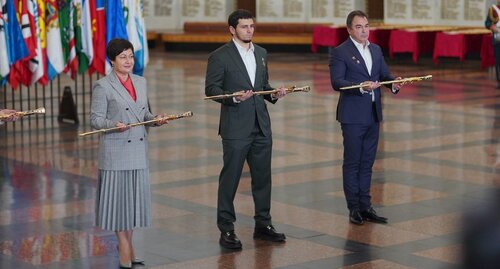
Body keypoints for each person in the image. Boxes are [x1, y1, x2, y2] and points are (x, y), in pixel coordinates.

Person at [205, 9, 287, 249]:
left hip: (261, 126)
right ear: (232, 29)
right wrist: (233, 97)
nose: (249, 30)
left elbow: (262, 86)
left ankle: (263, 224)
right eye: (244, 27)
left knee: (263, 178)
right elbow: (211, 89)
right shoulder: (219, 56)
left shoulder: (261, 53)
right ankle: (227, 228)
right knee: (230, 178)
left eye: (251, 26)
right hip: (235, 128)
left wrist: (273, 93)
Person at [90, 38, 167, 268]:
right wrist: (114, 124)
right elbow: (95, 120)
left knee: (133, 204)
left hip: (138, 151)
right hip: (116, 153)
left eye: (131, 56)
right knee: (118, 204)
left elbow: (144, 115)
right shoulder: (103, 86)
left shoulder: (141, 82)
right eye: (122, 57)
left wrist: (156, 120)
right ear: (112, 60)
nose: (128, 61)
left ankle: (129, 244)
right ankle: (123, 245)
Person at [329, 10, 403, 225]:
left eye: (367, 26)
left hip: (373, 114)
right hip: (352, 115)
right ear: (350, 30)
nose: (364, 30)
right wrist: (360, 87)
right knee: (353, 162)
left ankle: (366, 205)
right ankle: (354, 208)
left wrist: (394, 83)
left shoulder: (376, 49)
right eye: (359, 27)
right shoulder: (340, 52)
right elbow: (337, 82)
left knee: (368, 162)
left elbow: (384, 75)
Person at [485, 0, 500, 88]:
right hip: (497, 40)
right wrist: (491, 26)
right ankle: (499, 81)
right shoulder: (493, 10)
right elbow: (487, 23)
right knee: (498, 61)